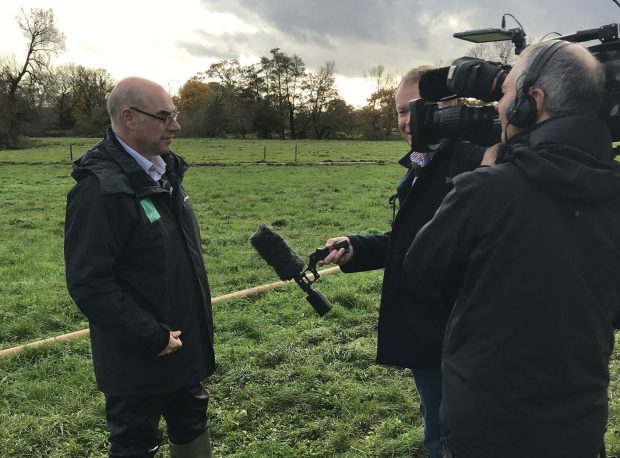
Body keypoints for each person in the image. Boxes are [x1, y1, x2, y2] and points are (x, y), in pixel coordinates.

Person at [405, 40, 620, 458]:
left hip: (486, 430)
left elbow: (422, 268)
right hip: (578, 428)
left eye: (504, 95)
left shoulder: (489, 189)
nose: (498, 109)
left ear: (531, 101)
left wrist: (489, 172)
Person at [321, 66, 485, 458]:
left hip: (460, 335)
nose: (407, 121)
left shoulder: (474, 161)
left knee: (456, 439)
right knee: (437, 432)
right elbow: (412, 239)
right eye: (400, 111)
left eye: (417, 108)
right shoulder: (423, 161)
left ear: (452, 106)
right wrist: (357, 247)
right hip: (428, 332)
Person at [64, 77, 215, 458]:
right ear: (128, 118)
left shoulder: (166, 174)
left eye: (174, 115)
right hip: (137, 356)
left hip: (183, 346)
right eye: (164, 117)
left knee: (192, 422)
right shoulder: (99, 189)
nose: (176, 127)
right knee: (134, 441)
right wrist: (152, 337)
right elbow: (90, 283)